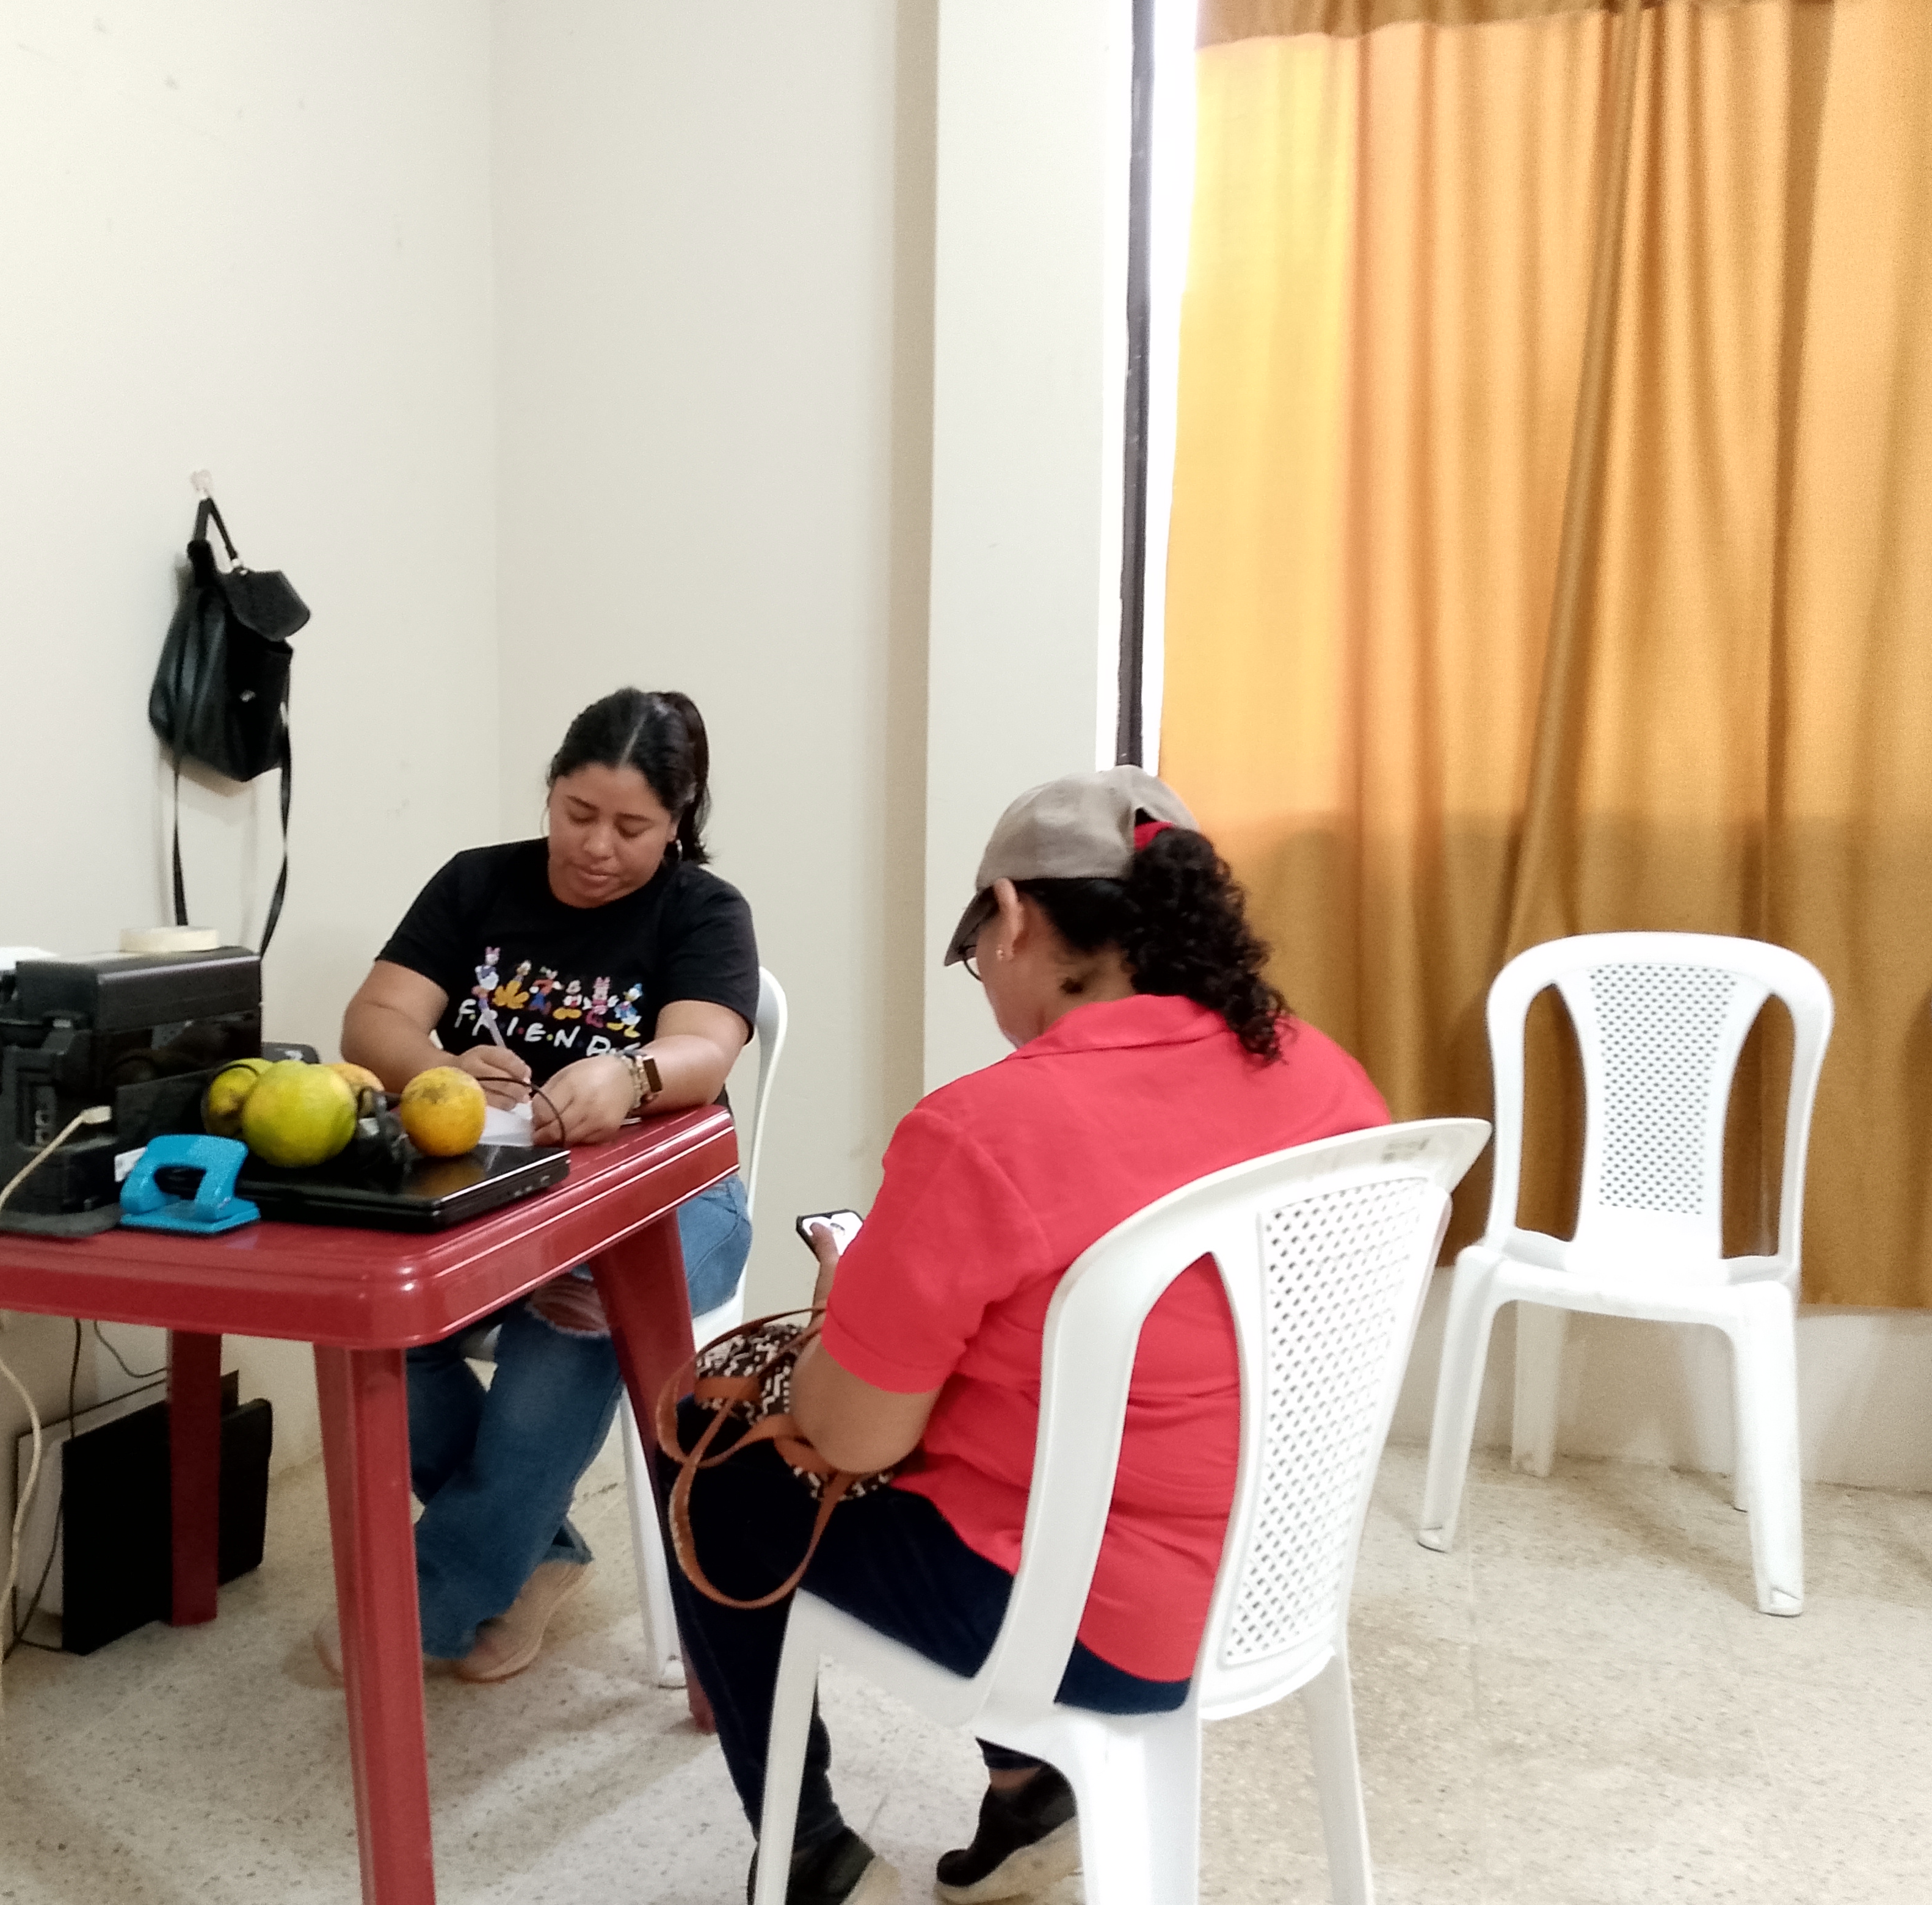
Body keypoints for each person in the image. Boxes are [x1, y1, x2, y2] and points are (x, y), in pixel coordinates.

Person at [659, 767, 1389, 1905]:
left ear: (1010, 918)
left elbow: (852, 1438)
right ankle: (1029, 1795)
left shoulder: (984, 1130)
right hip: (1271, 1583)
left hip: (1088, 1626)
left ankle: (810, 1860)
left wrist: (845, 1318)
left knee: (713, 1463)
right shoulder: (1326, 1077)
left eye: (975, 950)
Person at [326, 686, 759, 1682]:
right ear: (551, 791)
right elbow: (373, 1020)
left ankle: (424, 1606)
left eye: (632, 828)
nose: (598, 847)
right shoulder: (478, 883)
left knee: (575, 1313)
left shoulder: (703, 910)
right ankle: (539, 1549)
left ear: (677, 825)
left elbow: (703, 1050)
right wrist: (441, 1067)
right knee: (376, 1326)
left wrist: (631, 1076)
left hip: (671, 1203)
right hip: (500, 1194)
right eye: (578, 813)